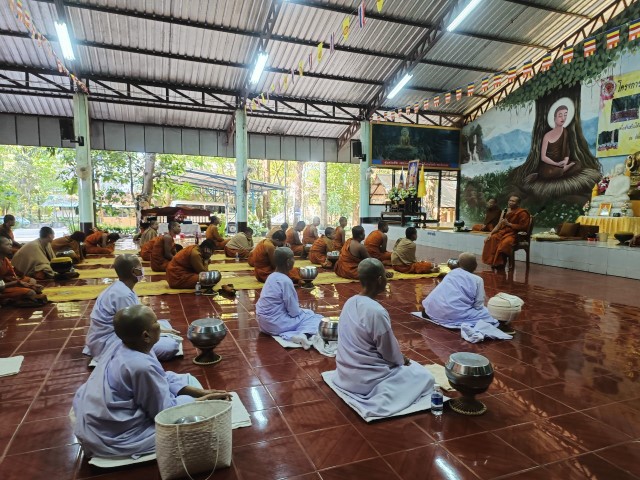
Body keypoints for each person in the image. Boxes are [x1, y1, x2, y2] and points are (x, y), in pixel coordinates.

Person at [72, 305, 230, 459]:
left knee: (183, 379)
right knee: (197, 425)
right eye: (156, 322)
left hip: (97, 410)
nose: (160, 325)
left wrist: (201, 392)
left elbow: (162, 377)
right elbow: (164, 412)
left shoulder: (126, 345)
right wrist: (203, 402)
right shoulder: (141, 366)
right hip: (115, 432)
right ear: (146, 336)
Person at [332, 258, 435, 418]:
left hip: (345, 374)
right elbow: (388, 352)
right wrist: (401, 360)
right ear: (380, 280)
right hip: (367, 380)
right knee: (425, 377)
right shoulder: (376, 311)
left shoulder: (350, 302)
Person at [84, 254, 181, 362]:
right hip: (109, 342)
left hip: (115, 334)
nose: (143, 270)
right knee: (170, 346)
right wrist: (161, 332)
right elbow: (134, 327)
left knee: (162, 324)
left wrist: (162, 331)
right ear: (134, 271)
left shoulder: (121, 287)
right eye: (140, 268)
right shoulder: (122, 295)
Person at [256, 247, 322, 342]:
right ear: (288, 262)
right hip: (276, 324)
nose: (294, 261)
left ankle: (296, 332)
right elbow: (294, 312)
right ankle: (301, 334)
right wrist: (302, 312)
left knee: (305, 313)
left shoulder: (271, 277)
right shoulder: (285, 281)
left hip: (263, 324)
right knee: (312, 316)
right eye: (293, 258)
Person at [422, 252, 498, 328]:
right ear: (476, 266)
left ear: (458, 264)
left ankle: (438, 315)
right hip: (454, 313)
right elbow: (478, 305)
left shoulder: (452, 273)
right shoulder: (478, 280)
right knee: (490, 314)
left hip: (433, 310)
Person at [527, 105, 575, 182]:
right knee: (549, 172)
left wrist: (565, 161)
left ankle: (563, 169)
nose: (563, 118)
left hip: (561, 163)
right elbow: (543, 157)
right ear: (554, 118)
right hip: (549, 165)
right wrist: (556, 164)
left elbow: (567, 151)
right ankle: (563, 170)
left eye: (565, 115)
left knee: (577, 165)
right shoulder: (547, 136)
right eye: (560, 115)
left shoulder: (565, 132)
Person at [482, 195, 531, 270]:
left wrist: (509, 224)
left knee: (505, 243)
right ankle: (493, 262)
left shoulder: (522, 213)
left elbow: (523, 227)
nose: (510, 202)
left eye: (513, 201)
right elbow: (499, 225)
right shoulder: (504, 211)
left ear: (518, 203)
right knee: (492, 238)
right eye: (510, 200)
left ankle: (501, 263)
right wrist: (490, 233)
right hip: (503, 232)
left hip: (514, 234)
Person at [0, 237, 47, 307]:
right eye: (7, 244)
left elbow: (13, 274)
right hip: (2, 289)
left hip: (8, 282)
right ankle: (7, 300)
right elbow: (1, 286)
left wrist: (29, 284)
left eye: (10, 244)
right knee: (31, 293)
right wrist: (18, 283)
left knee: (32, 280)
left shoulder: (5, 259)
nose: (10, 246)